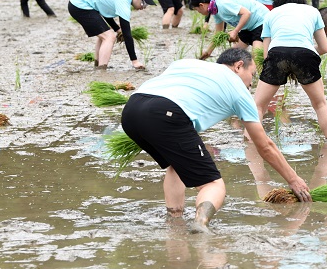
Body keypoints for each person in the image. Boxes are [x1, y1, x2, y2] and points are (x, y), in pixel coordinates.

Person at [121, 48, 312, 232]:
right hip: (167, 113)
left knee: (176, 166)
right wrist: (293, 180)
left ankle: (174, 220)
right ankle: (200, 223)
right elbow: (264, 146)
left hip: (132, 110)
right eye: (252, 74)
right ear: (238, 66)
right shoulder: (239, 91)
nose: (252, 83)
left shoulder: (187, 63)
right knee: (213, 184)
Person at [254, 0, 327, 139]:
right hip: (305, 53)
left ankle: (250, 145)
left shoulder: (271, 14)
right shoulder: (312, 11)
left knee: (258, 106)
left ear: (278, 2)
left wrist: (285, 65)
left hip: (276, 53)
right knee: (320, 105)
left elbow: (266, 55)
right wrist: (301, 57)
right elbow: (324, 48)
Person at [67, 0, 154, 70]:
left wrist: (117, 29)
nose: (143, 7)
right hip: (79, 5)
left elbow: (104, 10)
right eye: (144, 3)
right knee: (109, 37)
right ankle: (101, 70)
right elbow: (127, 34)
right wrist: (135, 61)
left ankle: (97, 65)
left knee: (104, 35)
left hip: (82, 3)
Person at [191, 0, 268, 59]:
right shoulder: (215, 10)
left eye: (197, 10)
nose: (199, 12)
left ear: (201, 5)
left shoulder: (222, 4)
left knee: (257, 58)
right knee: (232, 56)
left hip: (261, 22)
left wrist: (235, 31)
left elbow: (246, 13)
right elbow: (218, 32)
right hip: (248, 27)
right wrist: (208, 52)